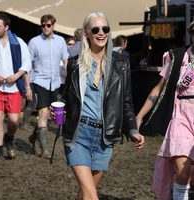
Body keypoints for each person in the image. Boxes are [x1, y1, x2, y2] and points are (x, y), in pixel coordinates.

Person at [56, 11, 144, 200]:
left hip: (106, 138)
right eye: (96, 29)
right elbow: (66, 97)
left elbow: (126, 103)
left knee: (85, 193)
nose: (101, 32)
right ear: (86, 33)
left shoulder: (121, 63)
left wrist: (133, 130)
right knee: (92, 196)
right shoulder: (75, 63)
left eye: (105, 28)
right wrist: (57, 110)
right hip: (78, 134)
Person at [136, 20, 194, 200]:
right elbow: (158, 89)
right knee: (182, 171)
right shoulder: (178, 57)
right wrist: (140, 115)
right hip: (181, 117)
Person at [28, 14, 69, 158]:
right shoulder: (34, 42)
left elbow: (65, 59)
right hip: (39, 80)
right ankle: (45, 149)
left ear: (53, 26)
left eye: (48, 25)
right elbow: (28, 63)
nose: (45, 28)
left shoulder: (61, 41)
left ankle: (34, 136)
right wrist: (28, 86)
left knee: (51, 115)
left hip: (56, 82)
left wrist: (68, 77)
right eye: (43, 25)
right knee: (43, 113)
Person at [0, 11, 32, 165]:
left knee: (14, 120)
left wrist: (17, 77)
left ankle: (9, 138)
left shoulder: (19, 43)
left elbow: (26, 64)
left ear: (7, 27)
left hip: (14, 88)